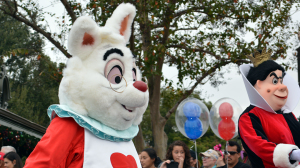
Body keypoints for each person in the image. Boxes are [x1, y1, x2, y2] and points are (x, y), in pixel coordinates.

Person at [238, 48, 300, 167]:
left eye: (281, 80)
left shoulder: (287, 114)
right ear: (259, 84)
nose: (283, 87)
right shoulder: (249, 116)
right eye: (275, 81)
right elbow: (259, 146)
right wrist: (292, 154)